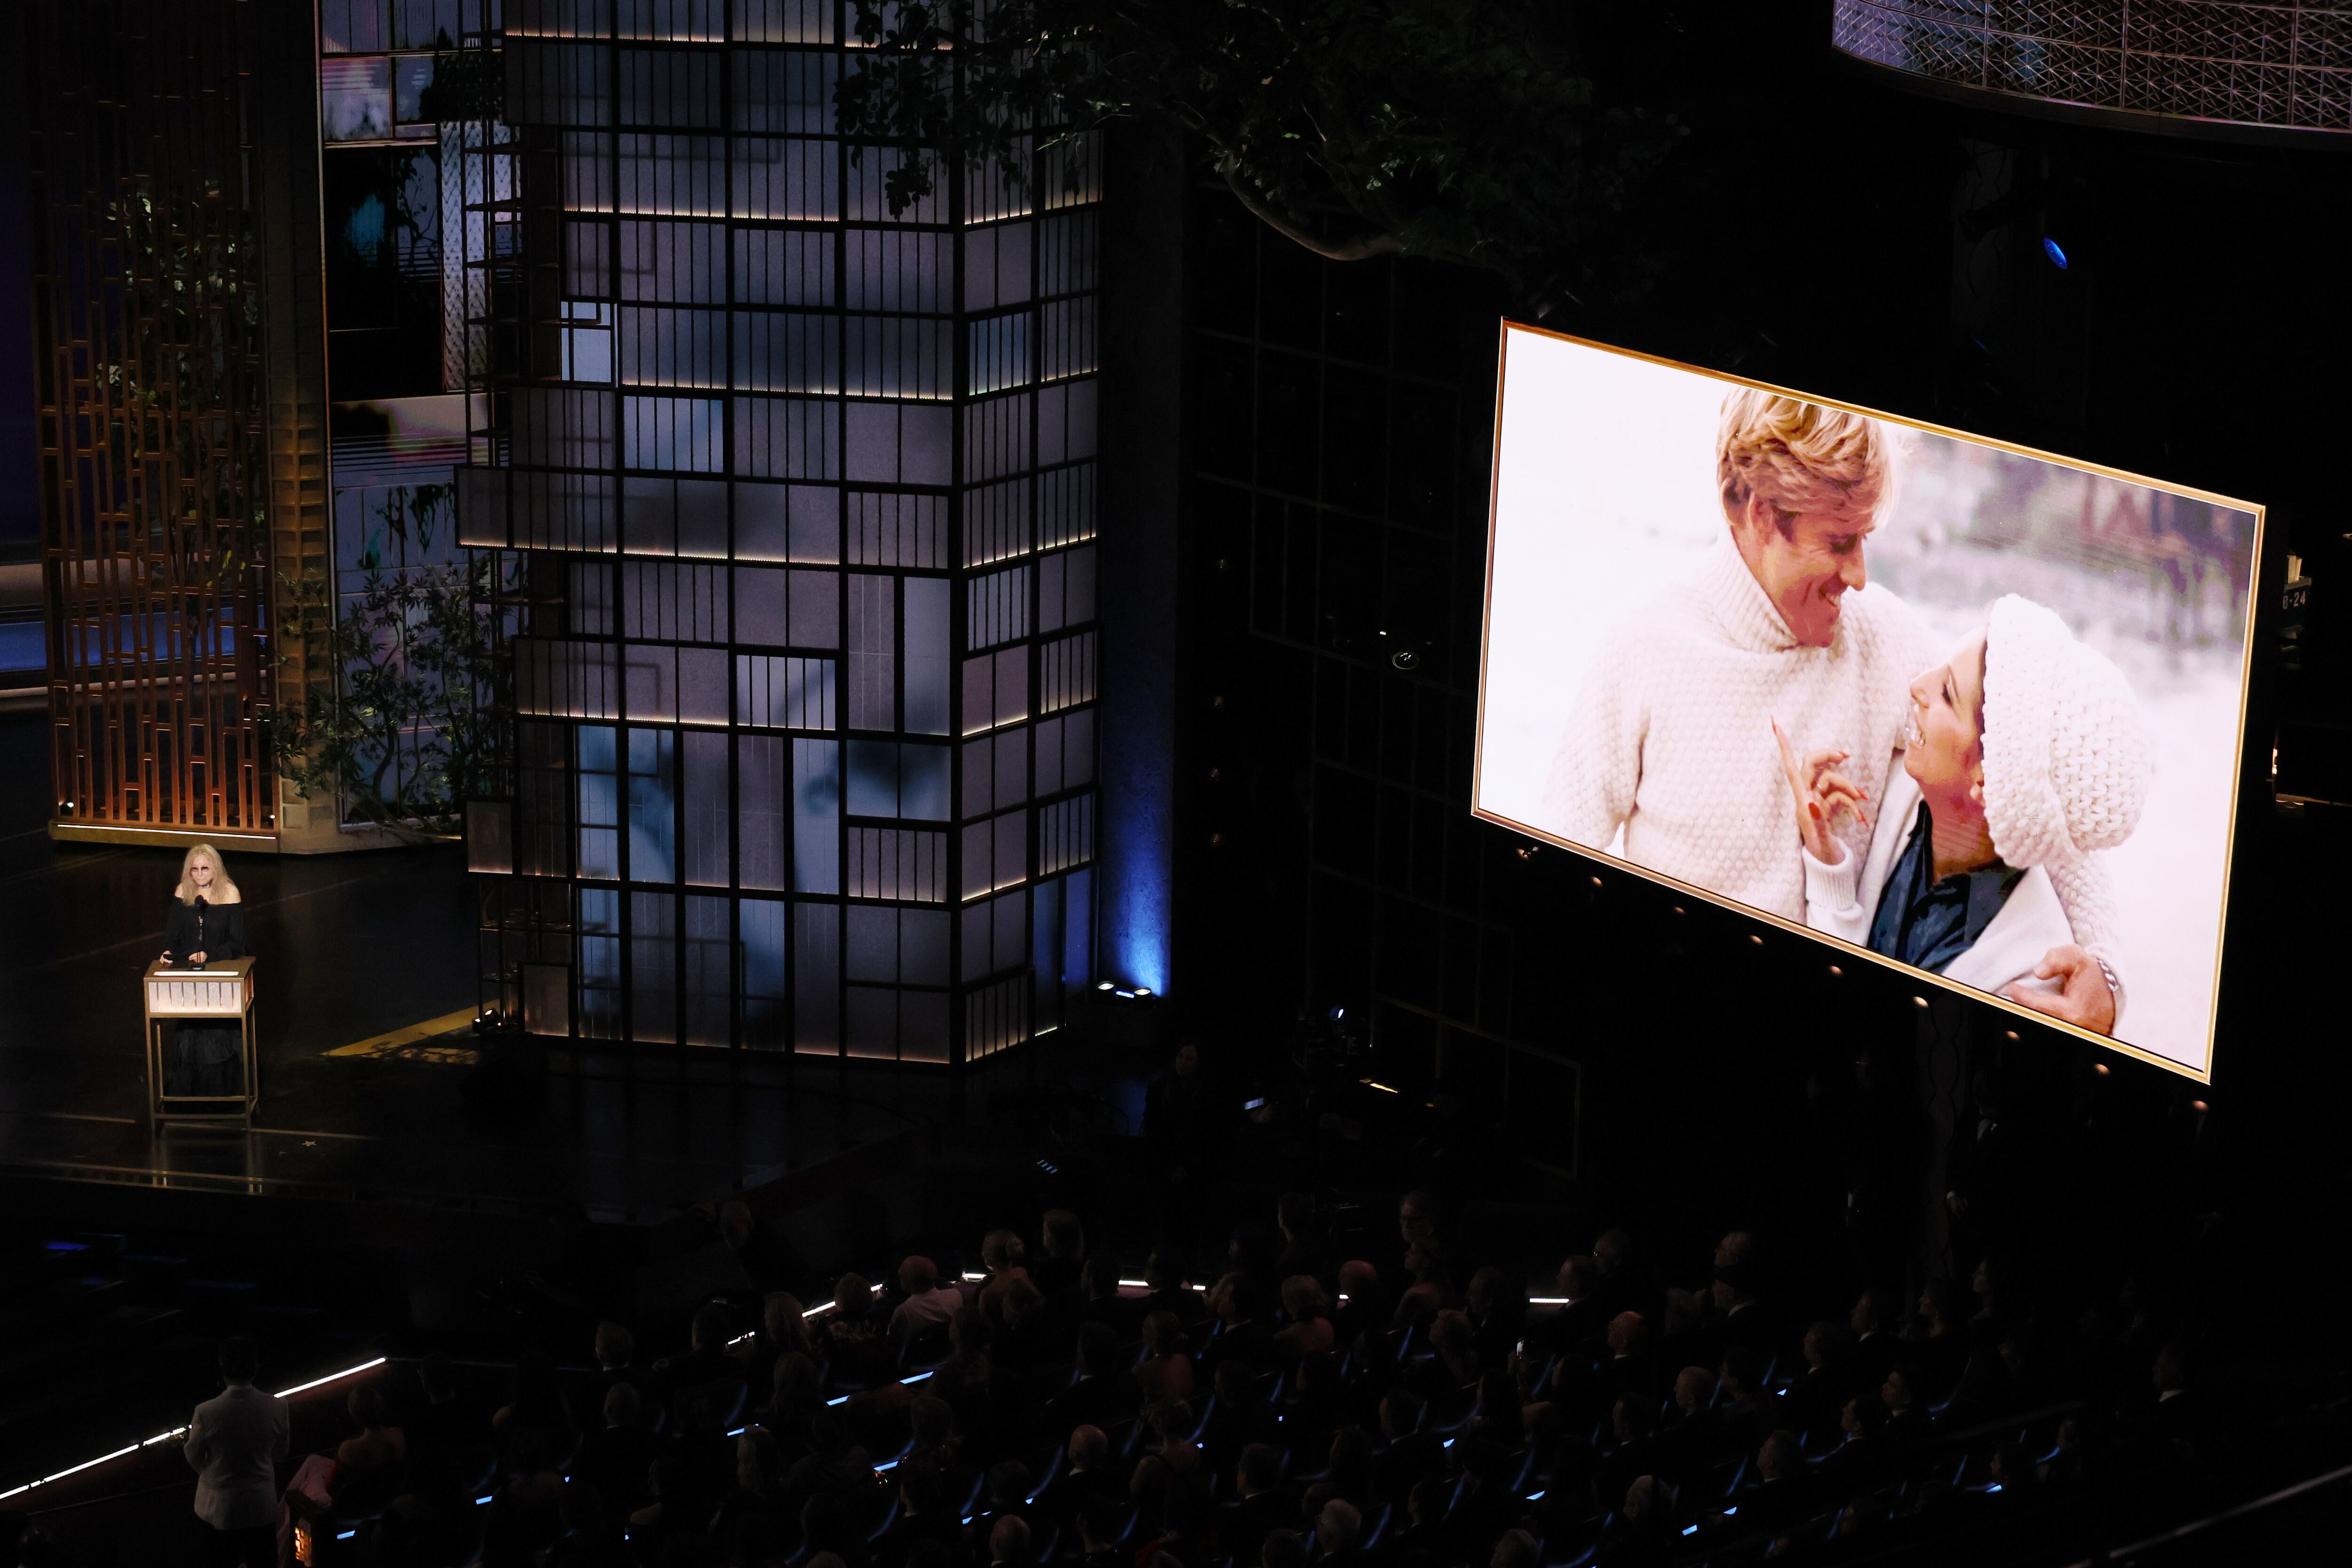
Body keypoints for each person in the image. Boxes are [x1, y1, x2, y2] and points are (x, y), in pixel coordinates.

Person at [1545, 392, 2120, 1028]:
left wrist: (2107, 974)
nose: (1860, 574)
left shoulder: (1880, 639)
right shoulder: (1642, 647)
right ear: (1764, 516)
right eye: (1839, 542)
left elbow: (2035, 777)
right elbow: (1552, 873)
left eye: (1864, 539)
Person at [1781, 595, 2143, 1031]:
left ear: (1987, 781)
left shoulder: (2034, 977)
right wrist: (1828, 866)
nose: (1918, 685)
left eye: (1947, 693)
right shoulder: (1901, 789)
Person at [182, 1336, 288, 1566]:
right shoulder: (278, 1406)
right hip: (262, 1505)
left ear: (222, 1368)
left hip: (220, 1509)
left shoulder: (206, 1412)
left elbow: (194, 1457)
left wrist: (214, 1472)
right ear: (256, 1367)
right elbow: (280, 1453)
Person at [158, 843, 248, 1097]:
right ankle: (189, 1093)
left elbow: (238, 943)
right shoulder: (183, 892)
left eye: (205, 868)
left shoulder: (230, 893)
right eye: (194, 869)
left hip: (220, 972)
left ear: (215, 869)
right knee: (191, 1031)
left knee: (216, 1032)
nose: (199, 874)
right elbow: (173, 936)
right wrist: (169, 952)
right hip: (191, 974)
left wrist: (211, 954)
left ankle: (223, 1092)